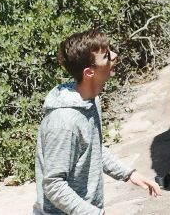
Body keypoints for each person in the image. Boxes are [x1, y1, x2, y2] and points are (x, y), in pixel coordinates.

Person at [34, 29, 160, 215]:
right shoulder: (63, 122)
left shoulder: (91, 100)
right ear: (89, 72)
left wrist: (128, 174)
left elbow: (92, 148)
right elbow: (53, 185)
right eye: (106, 56)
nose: (114, 56)